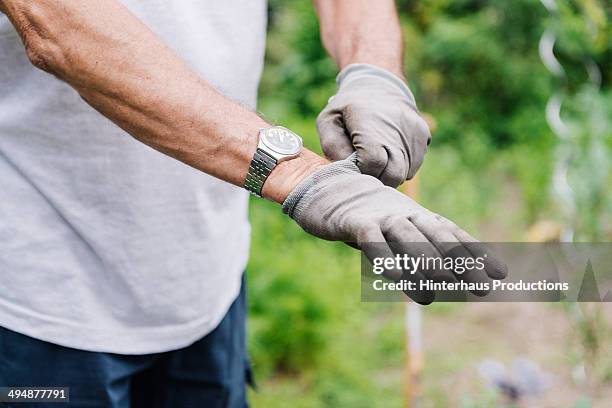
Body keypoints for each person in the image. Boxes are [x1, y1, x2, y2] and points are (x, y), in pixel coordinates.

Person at [0, 1, 505, 406]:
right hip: (38, 308)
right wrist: (299, 173)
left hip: (208, 281)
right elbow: (60, 25)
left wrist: (374, 72)